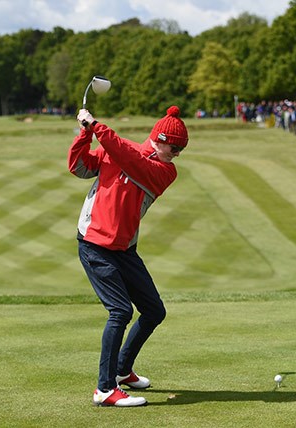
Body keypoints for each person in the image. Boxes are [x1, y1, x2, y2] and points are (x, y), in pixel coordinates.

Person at [68, 105, 190, 407]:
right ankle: (105, 389)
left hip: (123, 249)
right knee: (120, 311)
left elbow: (128, 157)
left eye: (180, 149)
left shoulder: (164, 172)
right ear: (158, 139)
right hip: (95, 244)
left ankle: (122, 370)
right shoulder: (119, 151)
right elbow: (79, 166)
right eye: (173, 147)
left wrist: (97, 126)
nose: (175, 153)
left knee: (154, 311)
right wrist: (85, 134)